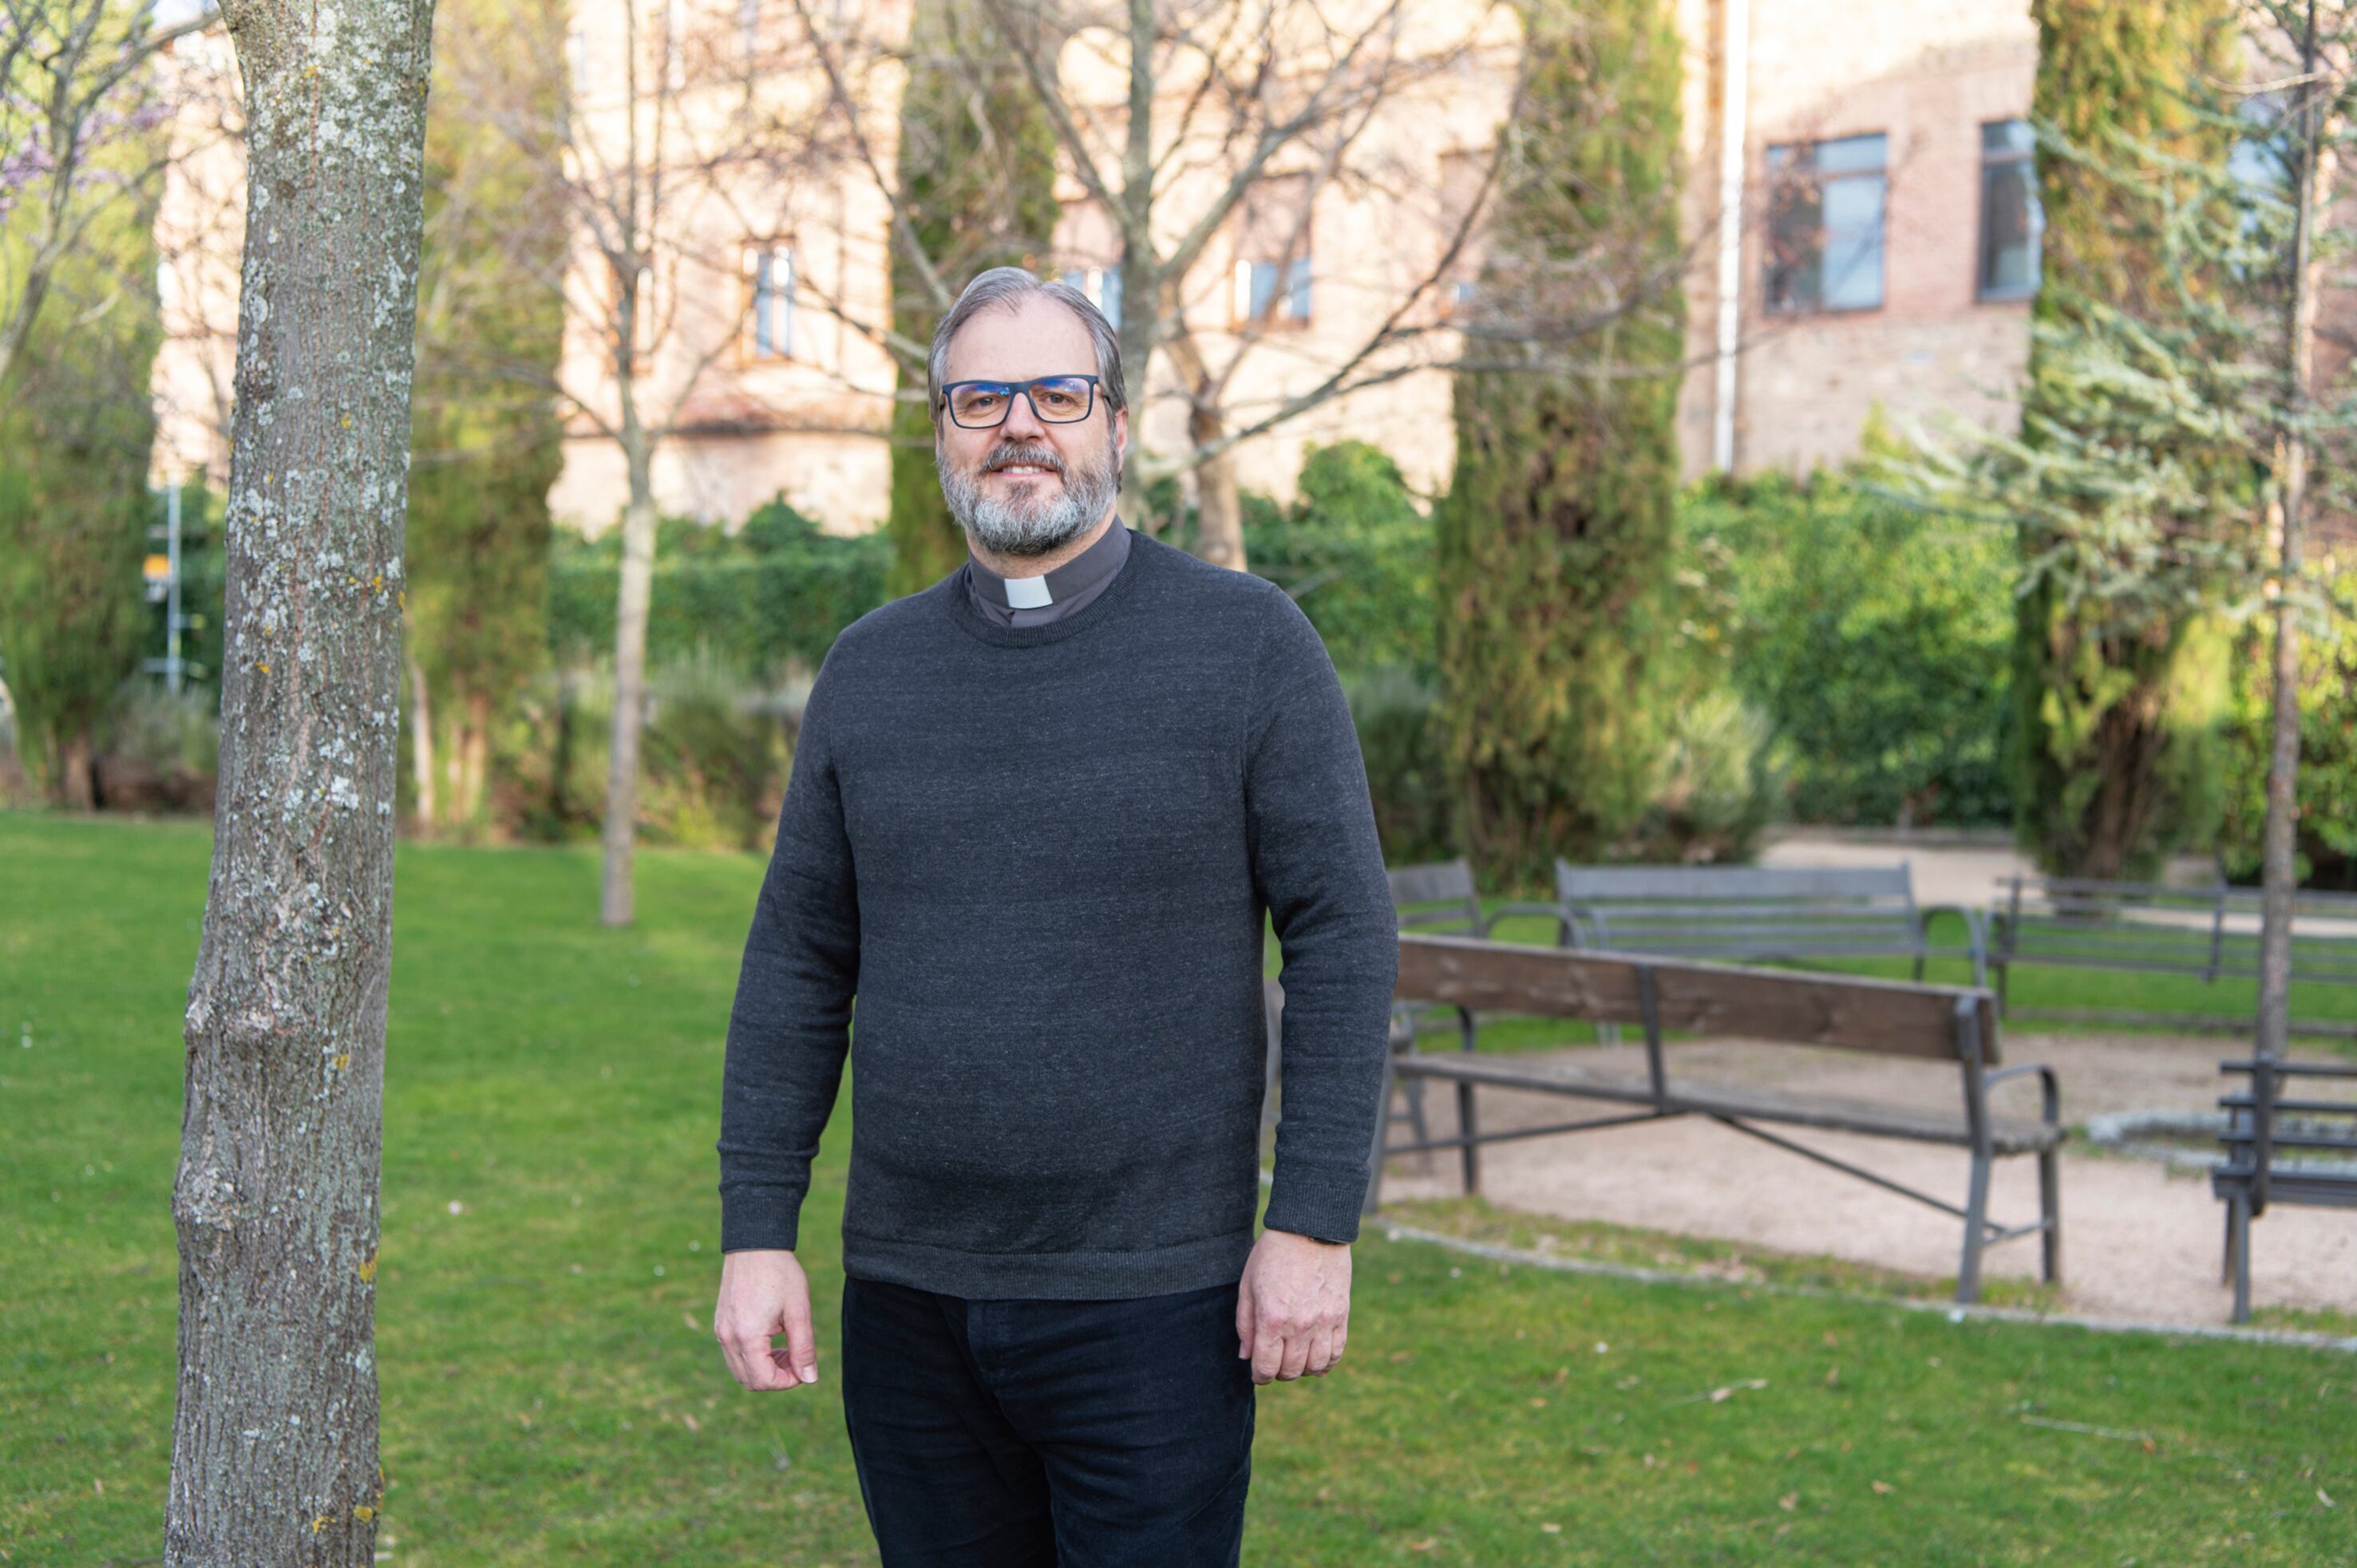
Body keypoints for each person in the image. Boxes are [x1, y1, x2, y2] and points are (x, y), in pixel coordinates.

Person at [710, 266, 1396, 1566]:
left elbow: (1344, 936)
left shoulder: (1249, 644)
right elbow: (799, 962)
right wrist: (758, 1230)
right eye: (978, 396)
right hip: (909, 1300)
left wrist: (1310, 1223)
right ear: (940, 436)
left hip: (1155, 1305)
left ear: (1117, 427)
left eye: (1056, 391)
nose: (1017, 423)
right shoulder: (870, 669)